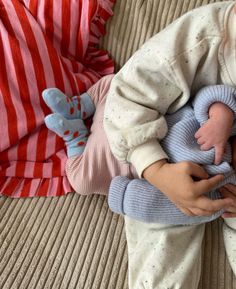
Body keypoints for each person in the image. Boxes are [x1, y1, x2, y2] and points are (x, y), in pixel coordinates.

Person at [103, 1, 236, 288]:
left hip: (227, 193)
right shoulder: (202, 36)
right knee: (159, 259)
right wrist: (157, 171)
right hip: (167, 159)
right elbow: (129, 94)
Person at [108, 84, 236, 225]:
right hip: (134, 127)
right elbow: (208, 94)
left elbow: (189, 208)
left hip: (123, 172)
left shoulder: (226, 190)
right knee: (113, 97)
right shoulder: (228, 125)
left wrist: (125, 199)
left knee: (84, 180)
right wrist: (221, 116)